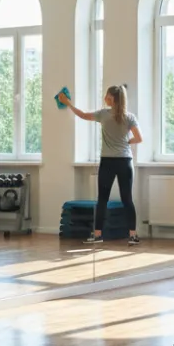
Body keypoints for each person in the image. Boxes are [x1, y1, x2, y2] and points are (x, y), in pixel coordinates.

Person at [58, 85, 142, 245]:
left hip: (108, 161)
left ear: (111, 98)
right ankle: (133, 236)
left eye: (106, 95)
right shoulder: (129, 117)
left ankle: (97, 235)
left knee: (102, 199)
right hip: (125, 161)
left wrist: (68, 103)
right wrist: (126, 142)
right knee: (127, 199)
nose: (104, 97)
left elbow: (82, 115)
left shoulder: (104, 114)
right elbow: (139, 138)